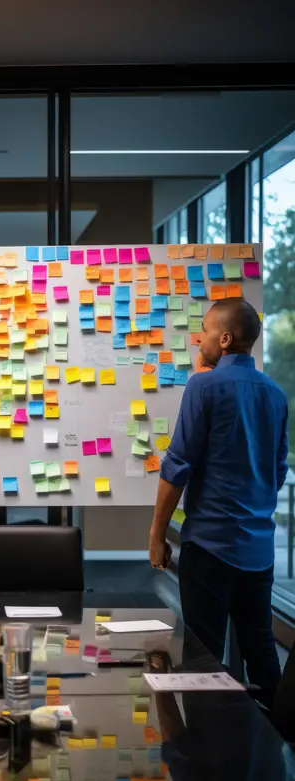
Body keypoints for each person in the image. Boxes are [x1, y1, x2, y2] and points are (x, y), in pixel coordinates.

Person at [149, 296, 288, 706]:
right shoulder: (276, 395)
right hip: (258, 549)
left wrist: (158, 533)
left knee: (203, 655)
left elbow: (177, 466)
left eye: (205, 331)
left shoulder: (202, 387)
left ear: (225, 339)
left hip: (210, 547)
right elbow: (277, 472)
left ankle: (205, 755)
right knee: (260, 645)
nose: (198, 338)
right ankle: (282, 747)